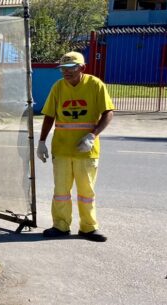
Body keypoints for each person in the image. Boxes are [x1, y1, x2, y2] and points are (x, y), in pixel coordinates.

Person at [36, 51, 114, 242]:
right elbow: (49, 116)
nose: (66, 72)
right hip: (62, 149)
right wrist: (41, 142)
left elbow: (108, 112)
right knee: (61, 191)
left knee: (86, 192)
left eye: (71, 68)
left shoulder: (95, 85)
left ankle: (88, 228)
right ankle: (60, 226)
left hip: (86, 150)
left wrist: (92, 135)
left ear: (82, 68)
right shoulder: (58, 87)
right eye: (63, 68)